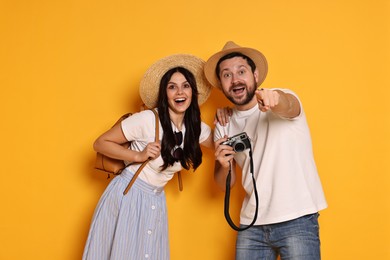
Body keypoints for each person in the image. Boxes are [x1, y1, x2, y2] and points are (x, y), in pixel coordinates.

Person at [83, 54, 213, 260]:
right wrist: (138, 155)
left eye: (185, 86)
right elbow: (100, 143)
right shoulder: (147, 119)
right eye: (172, 87)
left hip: (155, 198)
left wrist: (228, 117)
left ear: (193, 92)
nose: (180, 92)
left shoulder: (195, 127)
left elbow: (220, 143)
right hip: (128, 195)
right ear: (165, 94)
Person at [204, 41, 327, 259]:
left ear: (255, 75)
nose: (235, 80)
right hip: (251, 224)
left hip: (297, 218)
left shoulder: (284, 97)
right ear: (221, 85)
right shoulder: (223, 123)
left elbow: (289, 105)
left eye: (241, 71)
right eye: (227, 75)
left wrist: (275, 98)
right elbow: (224, 185)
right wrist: (223, 165)